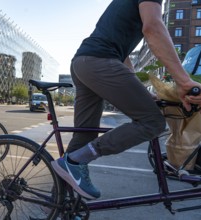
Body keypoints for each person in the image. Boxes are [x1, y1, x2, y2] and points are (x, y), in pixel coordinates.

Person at [51, 0, 201, 200]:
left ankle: (57, 203)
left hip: (83, 62)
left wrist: (141, 91)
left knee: (84, 135)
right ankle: (76, 162)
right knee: (153, 123)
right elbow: (153, 28)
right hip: (100, 61)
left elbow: (123, 55)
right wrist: (183, 80)